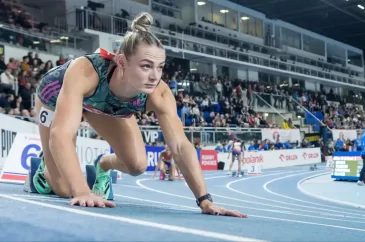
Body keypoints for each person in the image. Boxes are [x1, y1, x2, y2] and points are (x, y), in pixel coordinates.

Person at [32, 12, 246, 218]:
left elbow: (180, 146)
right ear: (122, 62)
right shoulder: (85, 71)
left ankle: (102, 166)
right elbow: (60, 136)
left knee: (137, 165)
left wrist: (205, 200)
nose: (155, 76)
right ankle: (44, 167)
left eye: (160, 67)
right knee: (62, 188)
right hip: (54, 97)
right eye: (146, 66)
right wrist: (81, 191)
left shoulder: (159, 93)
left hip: (102, 106)